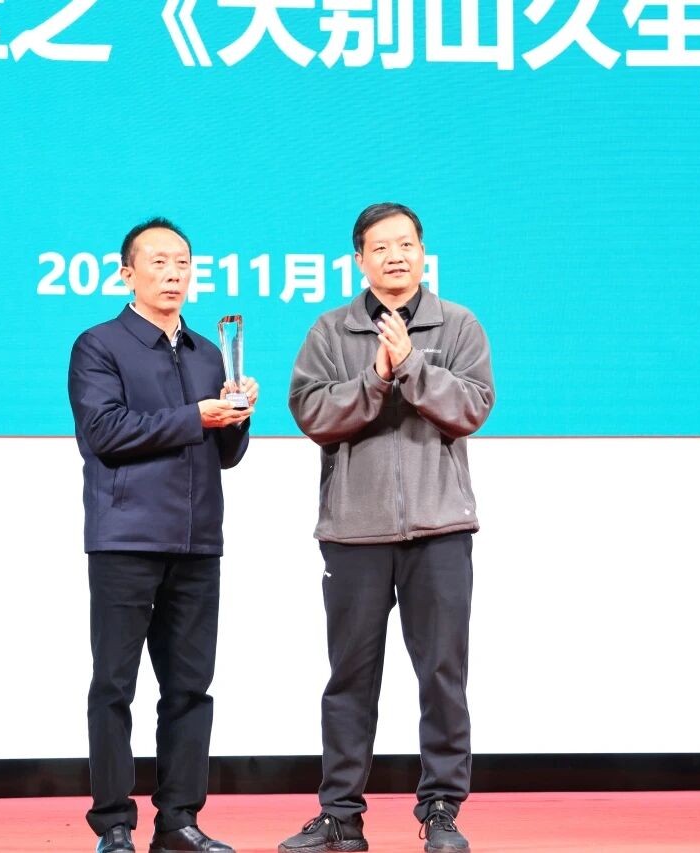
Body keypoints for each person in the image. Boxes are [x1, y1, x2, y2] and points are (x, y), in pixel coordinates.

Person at [278, 203, 495, 853]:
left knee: (443, 675)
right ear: (360, 260)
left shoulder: (458, 324)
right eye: (381, 247)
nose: (395, 256)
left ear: (423, 252)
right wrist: (375, 376)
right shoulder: (331, 330)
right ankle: (340, 815)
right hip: (354, 532)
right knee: (350, 679)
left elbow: (472, 407)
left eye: (406, 244)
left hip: (440, 529)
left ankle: (442, 809)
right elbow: (313, 414)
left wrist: (413, 367)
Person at [68, 217, 257, 853]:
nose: (173, 274)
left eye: (182, 263)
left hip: (198, 542)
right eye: (158, 263)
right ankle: (114, 825)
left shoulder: (207, 352)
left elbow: (224, 455)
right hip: (125, 539)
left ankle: (178, 821)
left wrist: (236, 417)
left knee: (189, 691)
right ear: (127, 273)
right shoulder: (99, 345)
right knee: (114, 687)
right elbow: (105, 433)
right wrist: (195, 416)